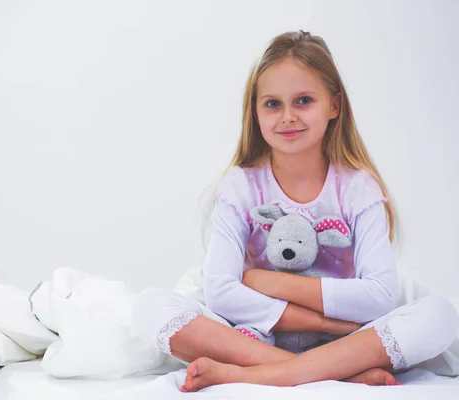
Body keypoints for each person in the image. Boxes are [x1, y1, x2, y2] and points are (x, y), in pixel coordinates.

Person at [132, 30, 459, 392]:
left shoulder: (357, 188)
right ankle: (326, 372)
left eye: (303, 100)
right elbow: (222, 293)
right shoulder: (241, 186)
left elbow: (379, 296)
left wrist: (268, 281)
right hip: (260, 335)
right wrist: (329, 324)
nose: (287, 117)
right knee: (150, 306)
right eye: (272, 104)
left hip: (347, 341)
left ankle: (246, 374)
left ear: (334, 106)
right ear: (255, 112)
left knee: (440, 317)